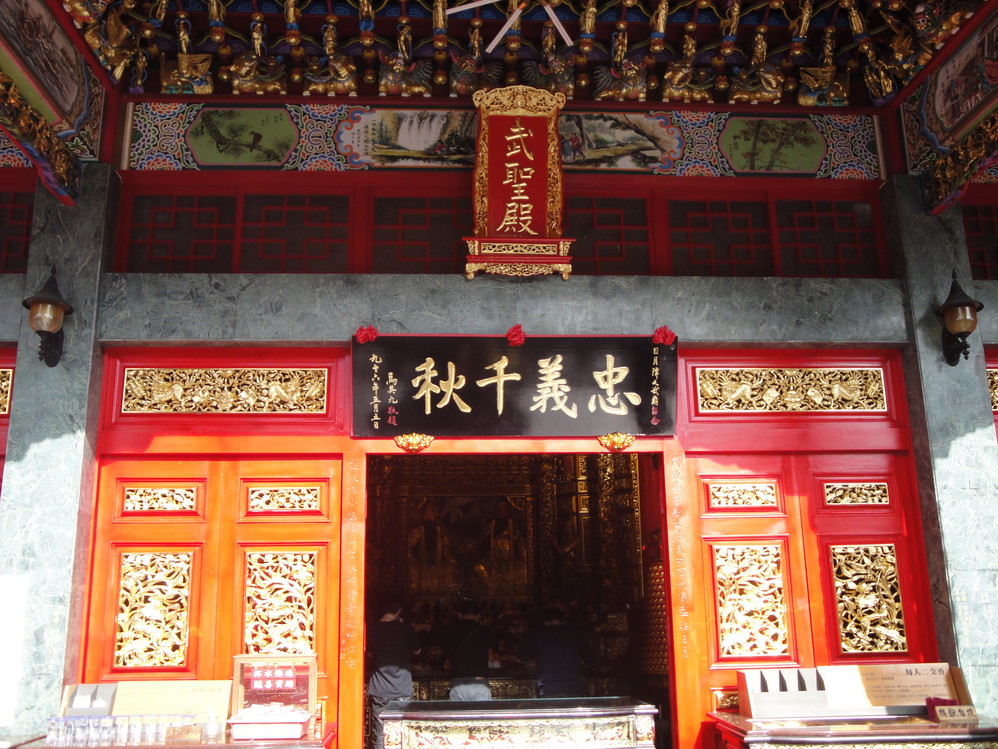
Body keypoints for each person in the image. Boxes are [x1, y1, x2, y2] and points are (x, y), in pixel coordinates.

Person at [366, 594, 421, 749]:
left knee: (380, 733)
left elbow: (368, 653)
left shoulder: (371, 629)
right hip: (401, 688)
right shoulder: (405, 629)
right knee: (403, 731)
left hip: (380, 690)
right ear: (398, 611)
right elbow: (417, 651)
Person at [518, 606, 587, 698]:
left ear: (545, 622)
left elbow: (521, 657)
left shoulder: (538, 635)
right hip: (573, 687)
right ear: (563, 621)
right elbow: (591, 659)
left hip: (548, 687)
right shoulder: (576, 635)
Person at [444, 599, 493, 700]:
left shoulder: (450, 631)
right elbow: (492, 652)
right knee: (482, 711)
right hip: (479, 683)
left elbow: (446, 653)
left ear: (459, 614)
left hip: (457, 684)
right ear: (478, 616)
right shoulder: (485, 631)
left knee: (459, 711)